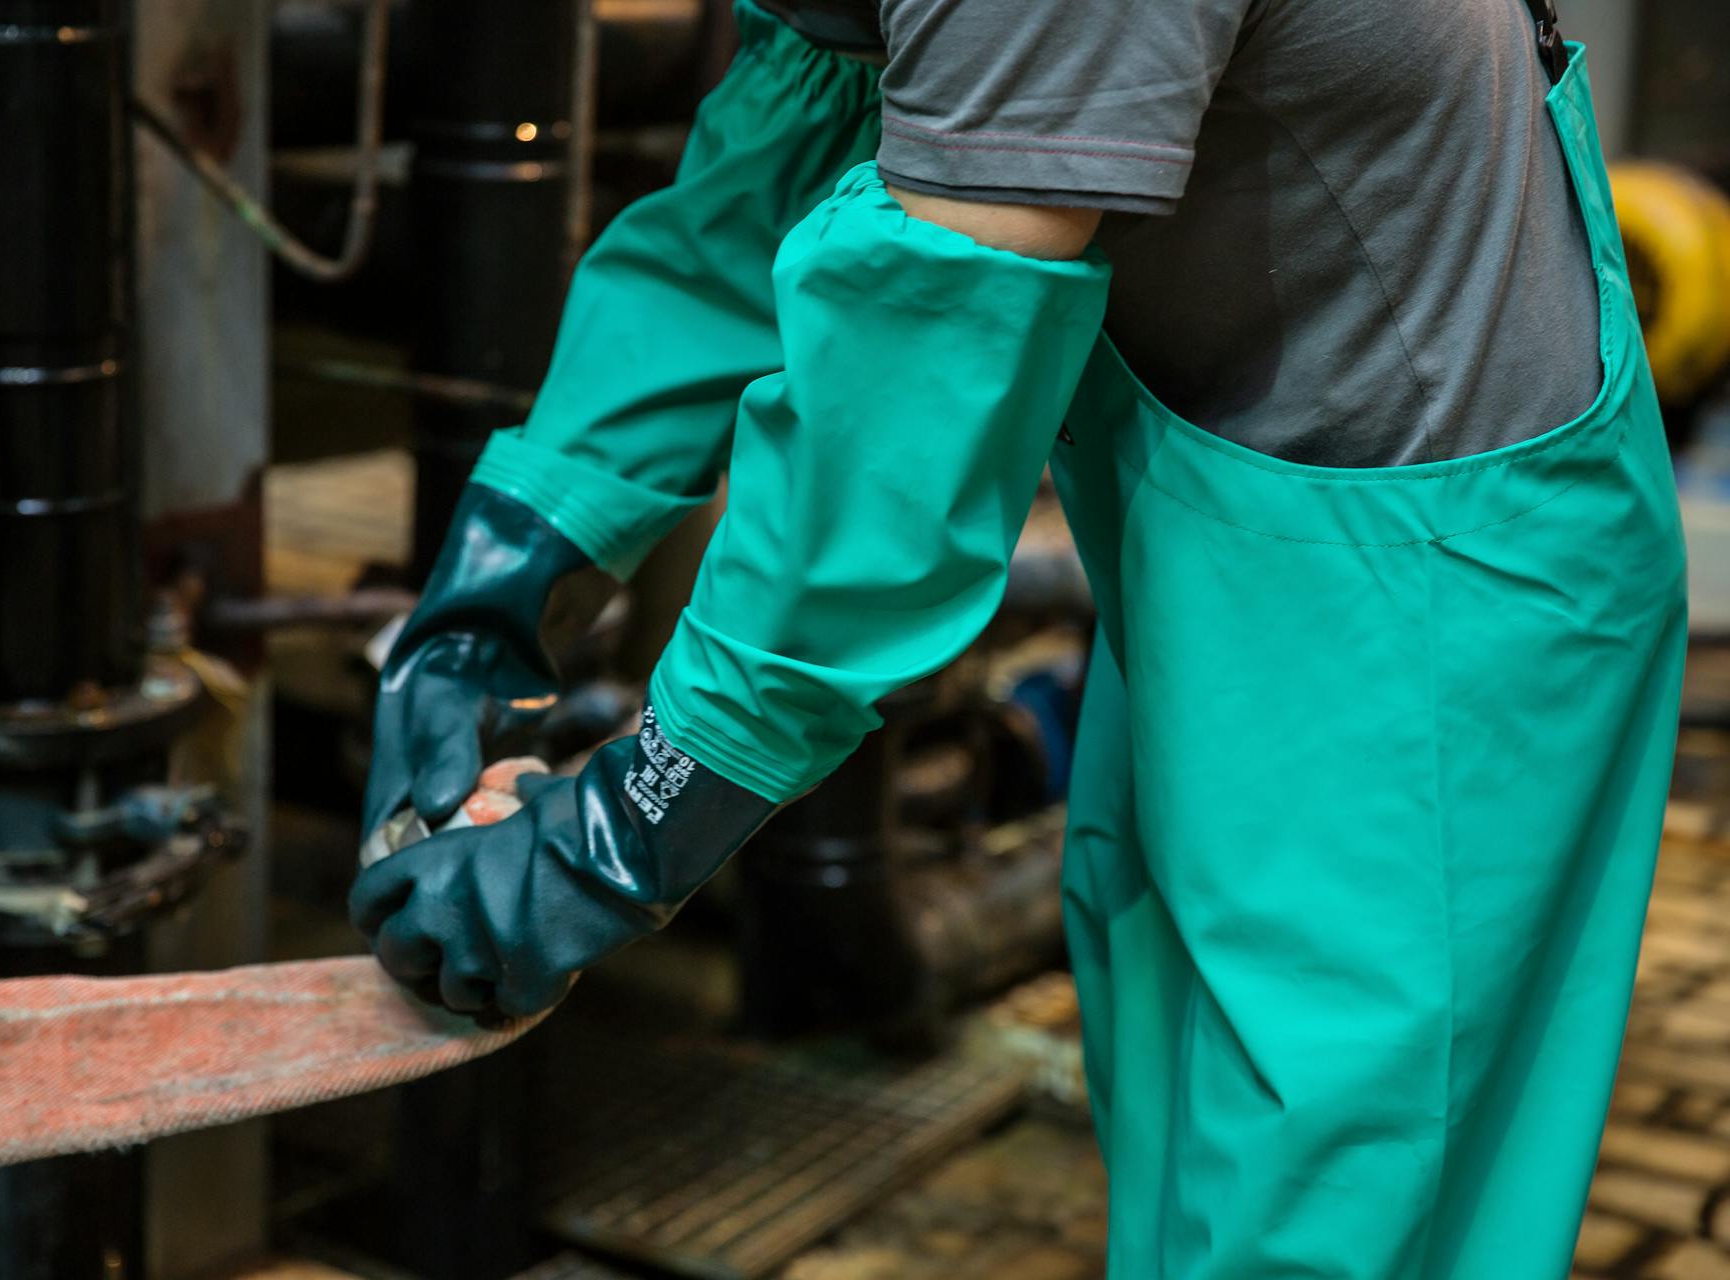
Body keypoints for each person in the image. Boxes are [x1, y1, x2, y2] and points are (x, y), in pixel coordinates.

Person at [350, 0, 1687, 1273]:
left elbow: (905, 413)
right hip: (1229, 544)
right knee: (1198, 1169)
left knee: (1330, 1215)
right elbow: (794, 134)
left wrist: (628, 827)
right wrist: (509, 570)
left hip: (1430, 613)